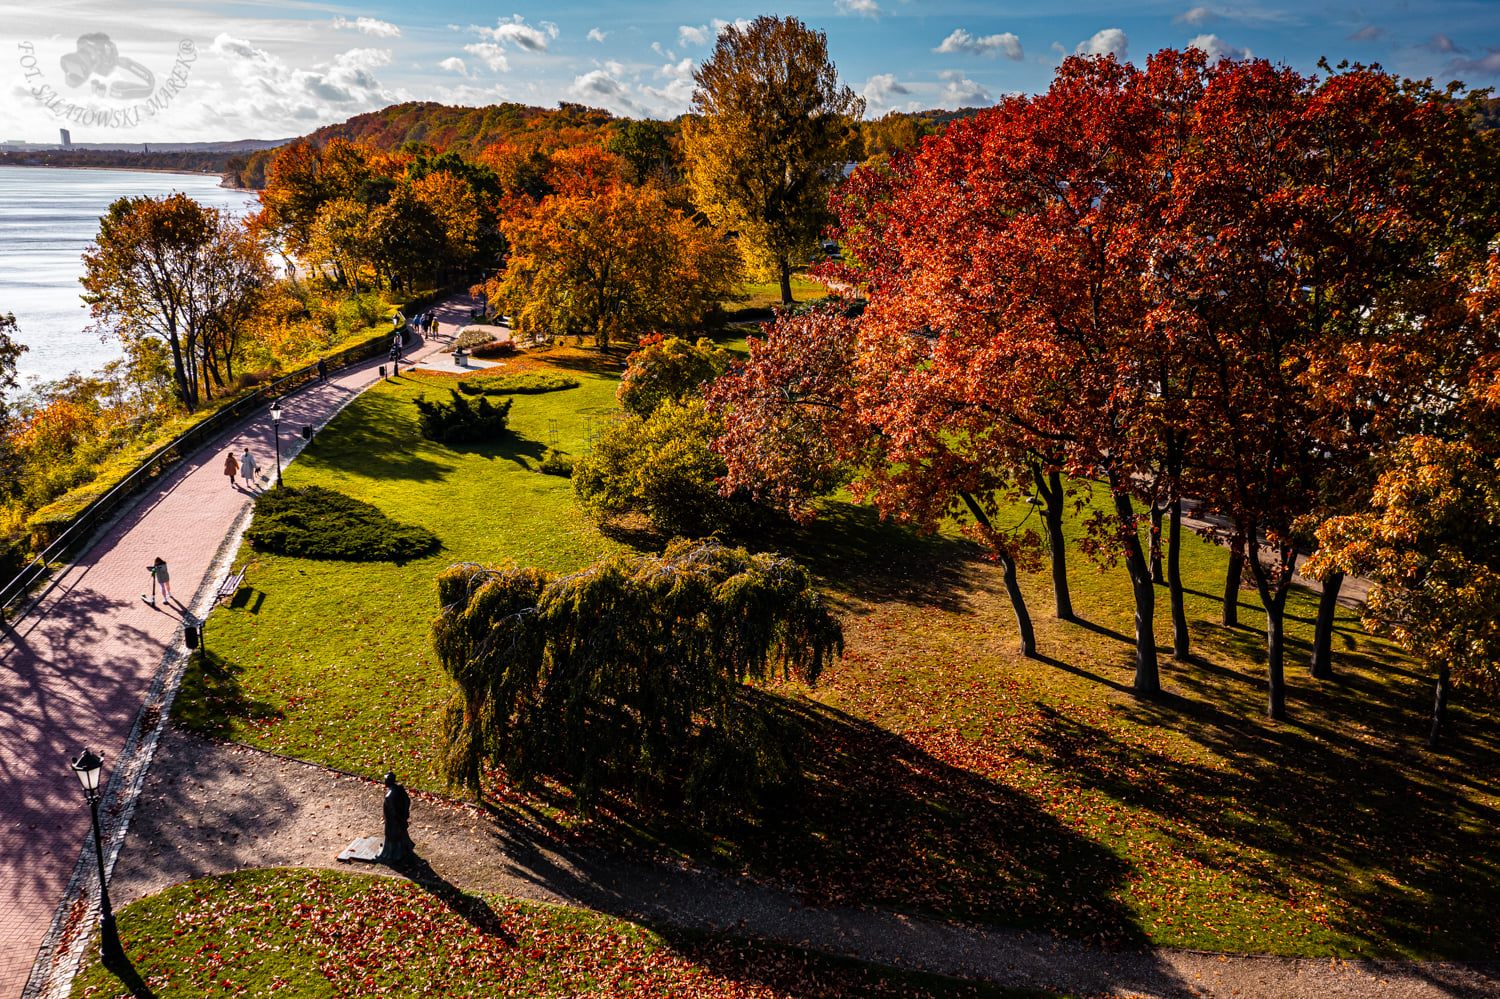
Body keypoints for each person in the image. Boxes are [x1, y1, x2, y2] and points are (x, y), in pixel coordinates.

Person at [377, 772, 413, 864]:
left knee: (392, 836)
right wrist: (404, 814)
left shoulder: (390, 796)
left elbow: (392, 811)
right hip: (398, 819)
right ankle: (403, 850)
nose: (384, 781)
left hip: (392, 821)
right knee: (400, 834)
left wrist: (398, 818)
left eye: (385, 780)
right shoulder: (399, 789)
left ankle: (392, 854)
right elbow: (407, 800)